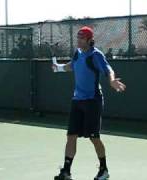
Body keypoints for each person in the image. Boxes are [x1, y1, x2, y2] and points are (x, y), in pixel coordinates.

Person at [53, 26, 126, 180]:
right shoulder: (77, 53)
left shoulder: (95, 55)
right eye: (77, 38)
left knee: (94, 137)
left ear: (89, 40)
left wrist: (112, 80)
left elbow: (108, 69)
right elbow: (71, 66)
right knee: (71, 136)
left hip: (92, 101)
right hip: (77, 100)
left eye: (81, 38)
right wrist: (58, 68)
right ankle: (66, 172)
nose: (78, 41)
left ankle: (104, 170)